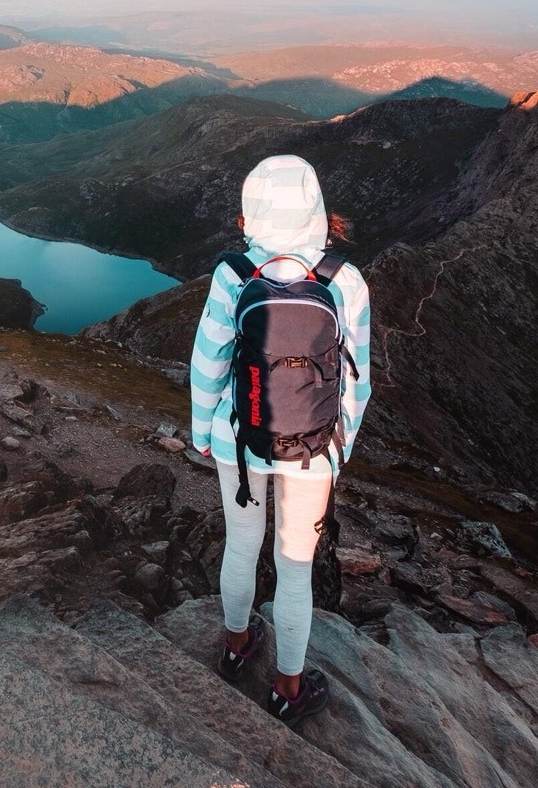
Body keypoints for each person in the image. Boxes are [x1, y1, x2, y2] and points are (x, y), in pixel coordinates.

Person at [189, 155, 371, 727]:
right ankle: (288, 686)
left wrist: (201, 433)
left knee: (241, 545)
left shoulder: (234, 273)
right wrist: (340, 447)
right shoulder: (344, 279)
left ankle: (236, 645)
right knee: (295, 566)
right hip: (314, 448)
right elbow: (356, 377)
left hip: (237, 440)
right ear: (316, 207)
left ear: (252, 209)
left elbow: (208, 362)